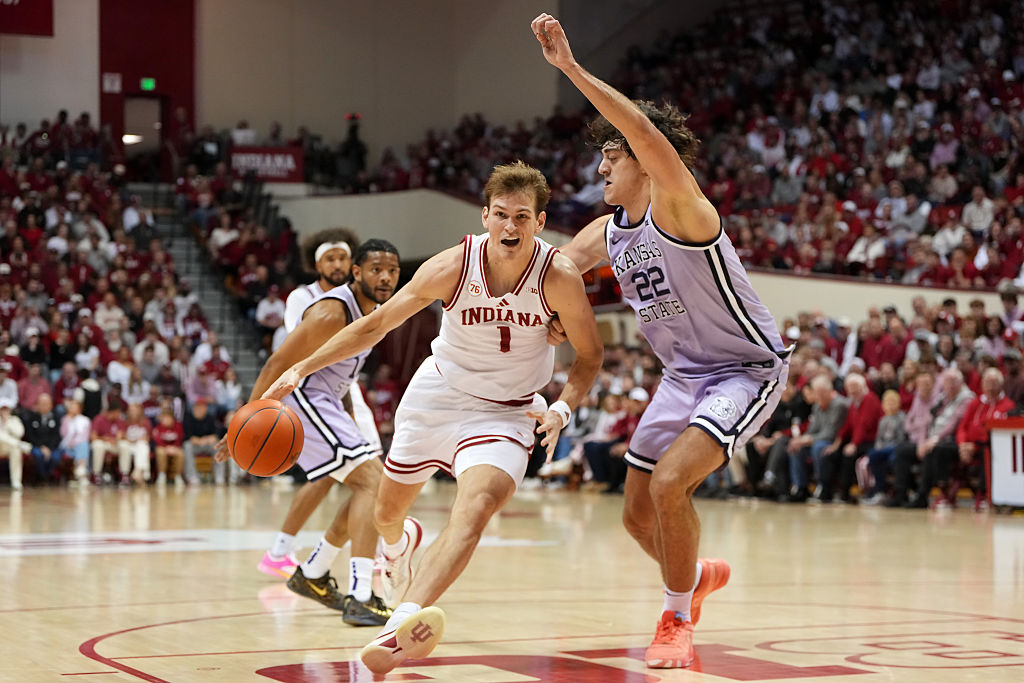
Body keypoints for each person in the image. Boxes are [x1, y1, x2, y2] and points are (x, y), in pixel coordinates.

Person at [262, 161, 603, 674]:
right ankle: (400, 548)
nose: (512, 227)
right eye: (503, 215)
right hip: (437, 395)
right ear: (485, 216)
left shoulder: (558, 277)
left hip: (507, 413)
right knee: (384, 516)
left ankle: (400, 622)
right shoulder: (451, 266)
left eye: (524, 217)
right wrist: (302, 368)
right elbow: (376, 324)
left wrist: (560, 408)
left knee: (477, 507)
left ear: (540, 221)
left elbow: (591, 355)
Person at [533, 14, 789, 669]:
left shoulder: (681, 206)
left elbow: (643, 132)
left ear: (640, 160)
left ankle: (677, 617)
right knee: (636, 515)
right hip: (682, 378)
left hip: (743, 370)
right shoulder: (610, 230)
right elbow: (560, 269)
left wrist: (568, 68)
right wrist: (552, 314)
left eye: (610, 156)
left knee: (672, 485)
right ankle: (694, 575)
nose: (601, 168)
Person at [222, 238, 402, 627]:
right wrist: (246, 420)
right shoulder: (330, 313)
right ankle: (360, 596)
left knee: (366, 487)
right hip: (302, 398)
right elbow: (277, 363)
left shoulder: (379, 307)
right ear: (357, 272)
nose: (385, 277)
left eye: (392, 270)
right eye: (376, 269)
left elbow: (344, 374)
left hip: (328, 402)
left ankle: (316, 572)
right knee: (374, 484)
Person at [258, 227, 386, 582]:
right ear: (317, 264)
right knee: (347, 473)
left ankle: (300, 555)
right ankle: (288, 552)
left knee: (361, 473)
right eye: (330, 258)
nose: (338, 264)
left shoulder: (363, 300)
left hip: (344, 389)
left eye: (343, 257)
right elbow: (299, 350)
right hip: (311, 387)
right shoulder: (306, 299)